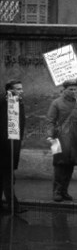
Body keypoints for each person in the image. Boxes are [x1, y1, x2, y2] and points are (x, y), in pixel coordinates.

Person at [45, 80, 77, 202]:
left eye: (75, 89)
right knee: (59, 165)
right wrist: (50, 136)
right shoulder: (56, 103)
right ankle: (57, 191)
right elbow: (50, 121)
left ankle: (64, 191)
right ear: (64, 89)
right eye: (70, 89)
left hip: (75, 139)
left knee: (70, 165)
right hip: (58, 139)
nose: (73, 92)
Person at [0, 80, 26, 214]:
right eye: (18, 89)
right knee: (9, 178)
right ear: (9, 90)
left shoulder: (17, 102)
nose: (21, 91)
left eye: (21, 89)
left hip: (13, 146)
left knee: (4, 177)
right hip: (5, 148)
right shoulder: (6, 104)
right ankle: (14, 207)